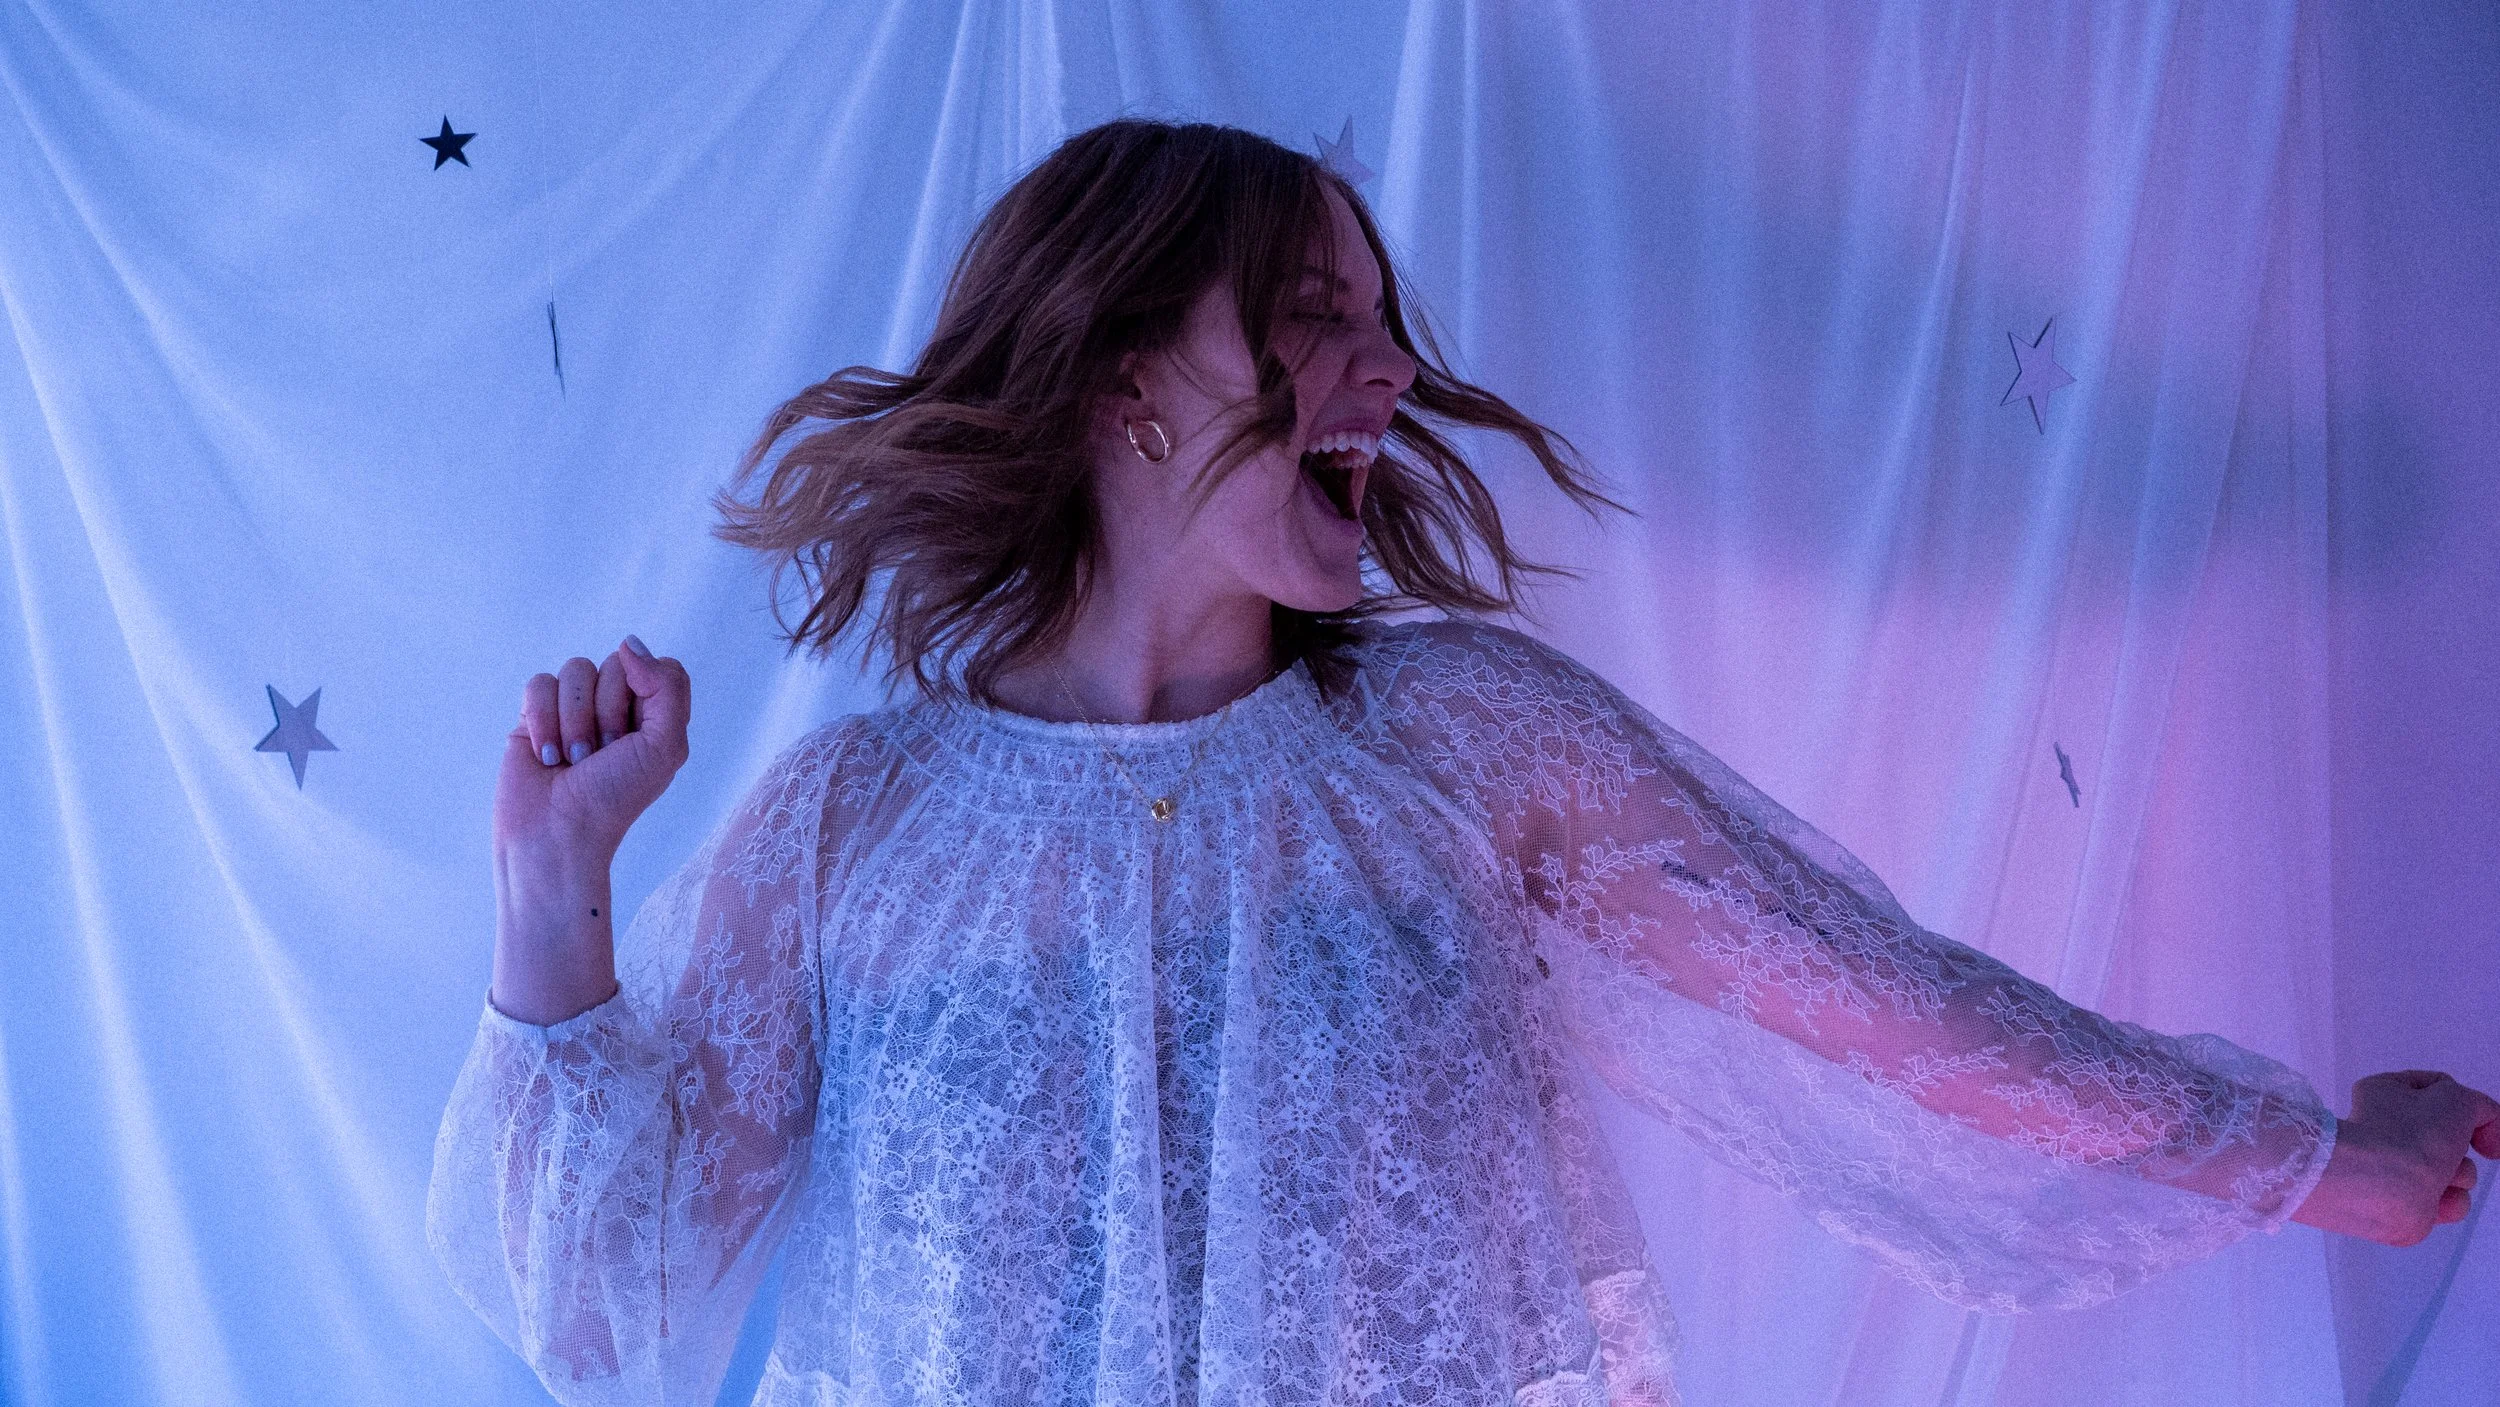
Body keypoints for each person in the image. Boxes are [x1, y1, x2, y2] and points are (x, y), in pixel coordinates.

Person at [428, 119, 2495, 1407]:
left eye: (1379, 313)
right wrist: (554, 897)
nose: (1391, 369)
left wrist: (2307, 1155)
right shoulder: (855, 824)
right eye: (1313, 312)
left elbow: (1891, 1017)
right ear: (1126, 383)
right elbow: (608, 1316)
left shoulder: (1458, 742)